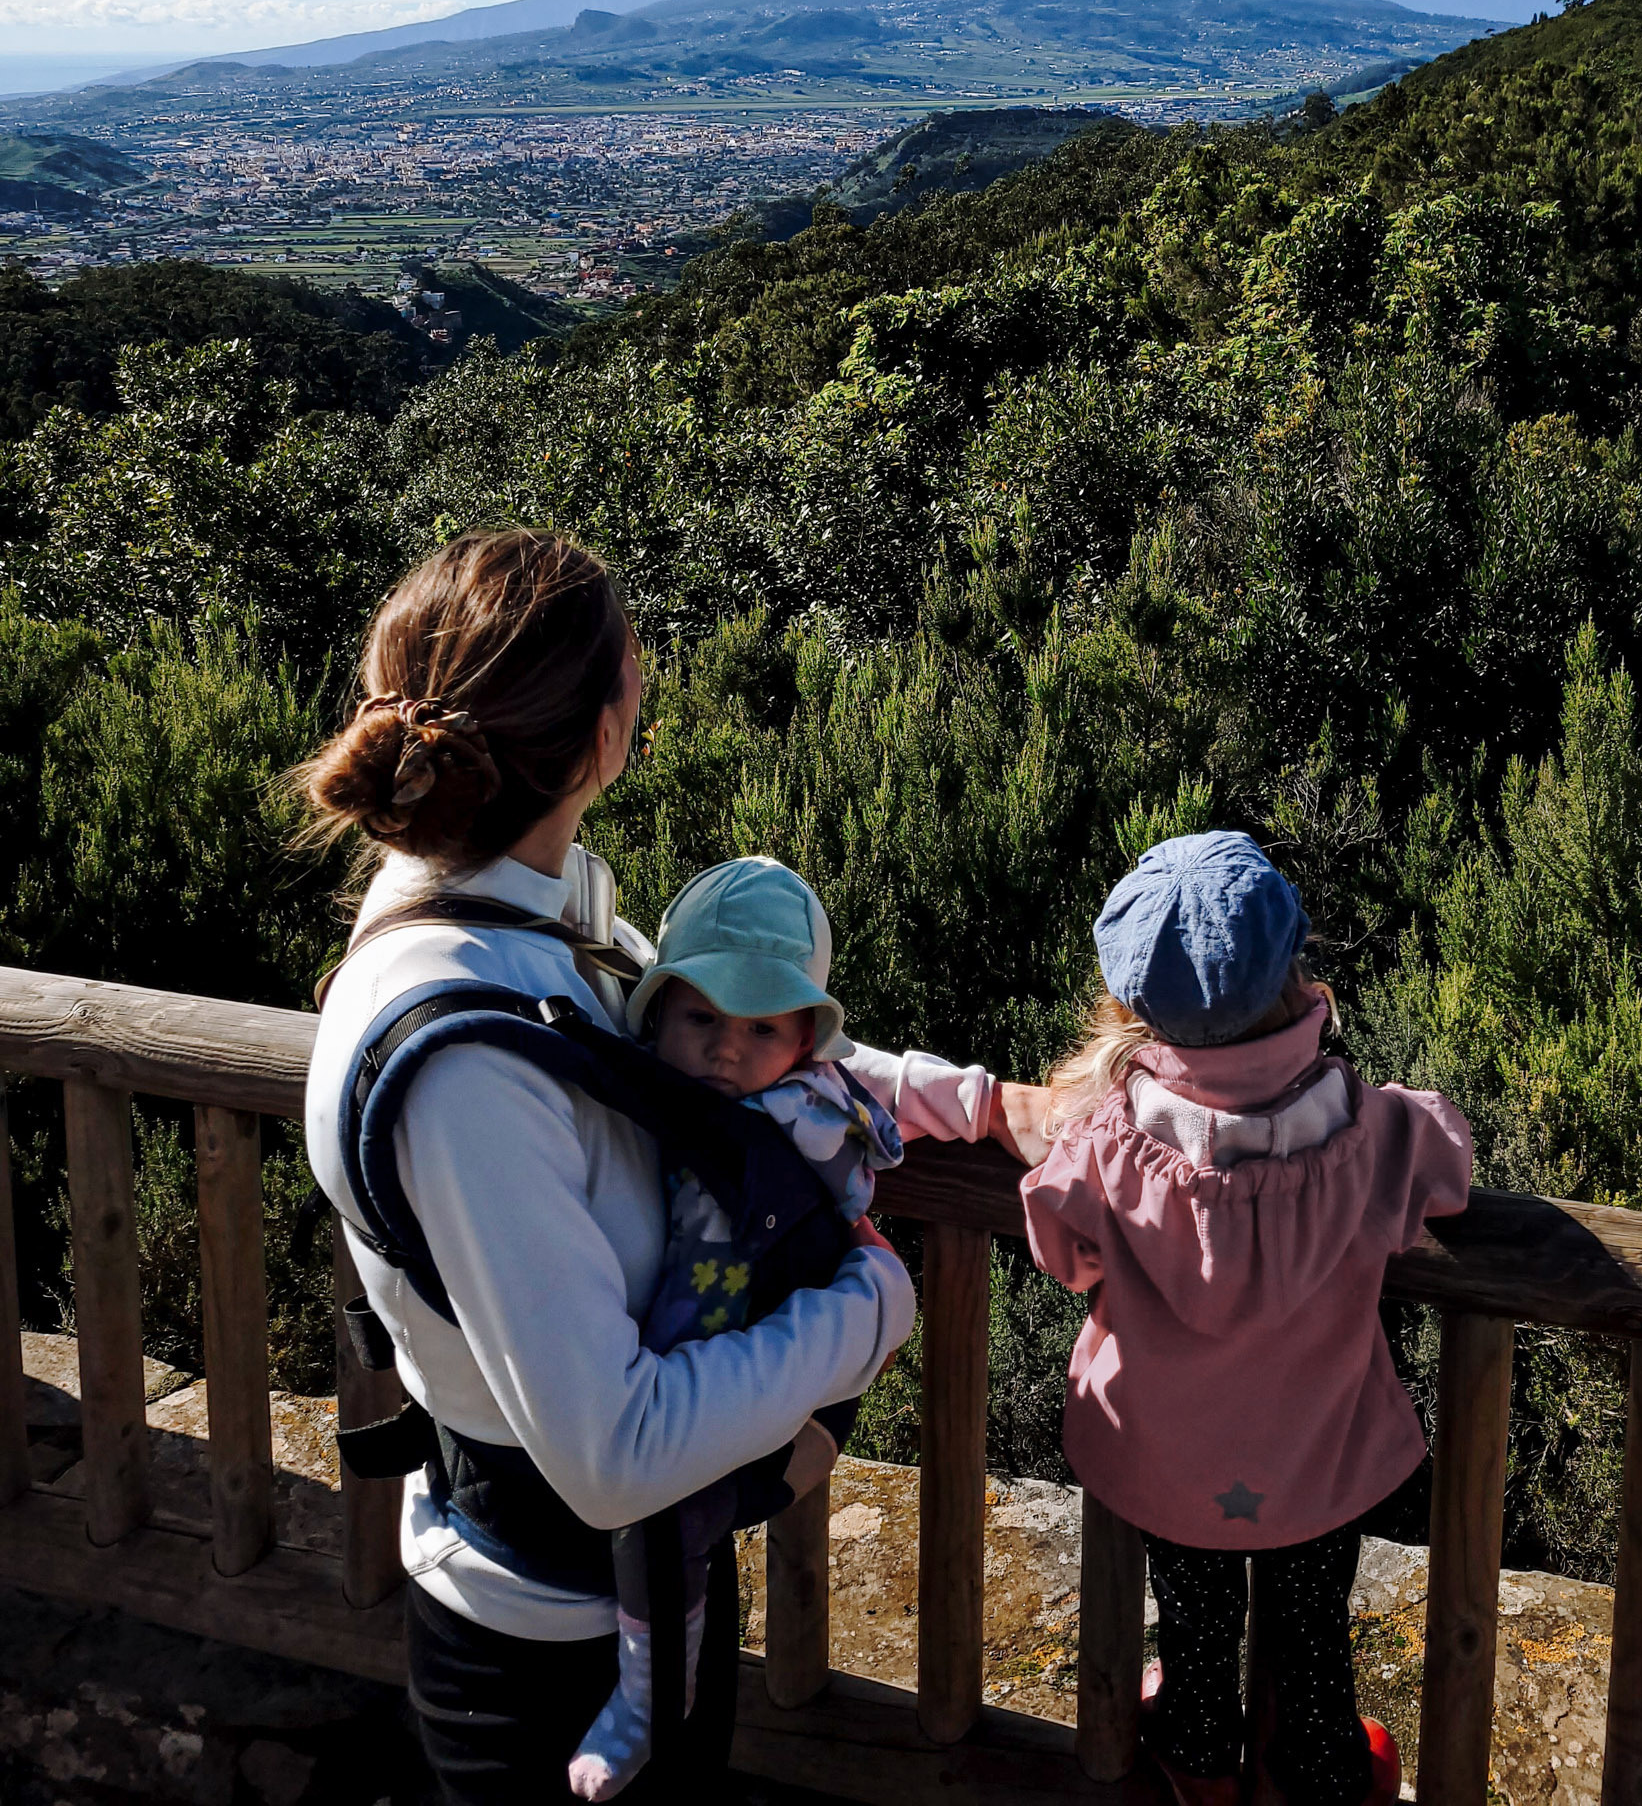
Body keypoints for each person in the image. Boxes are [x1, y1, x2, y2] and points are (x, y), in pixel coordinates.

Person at [299, 531, 1040, 1804]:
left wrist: (987, 1099)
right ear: (601, 739)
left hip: (626, 1600)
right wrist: (867, 1320)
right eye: (636, 673)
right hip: (543, 1653)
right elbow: (613, 1452)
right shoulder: (467, 1056)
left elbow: (761, 1064)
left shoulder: (537, 917)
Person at [1020, 830, 1472, 1806]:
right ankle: (1324, 1770)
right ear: (1293, 972)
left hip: (1173, 1466)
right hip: (1320, 1462)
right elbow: (1449, 1158)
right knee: (1314, 1638)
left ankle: (1197, 1758)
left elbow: (1061, 1248)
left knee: (1193, 1621)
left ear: (1137, 1005)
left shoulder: (1112, 1144)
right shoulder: (1367, 1131)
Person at [572, 854, 934, 1798]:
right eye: (702, 1019)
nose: (726, 1049)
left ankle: (650, 1698)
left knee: (670, 1520)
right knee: (663, 1523)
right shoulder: (661, 1083)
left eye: (760, 1026)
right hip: (699, 1372)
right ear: (659, 1015)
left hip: (746, 1376)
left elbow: (915, 1093)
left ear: (807, 1038)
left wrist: (1013, 1108)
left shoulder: (812, 1103)